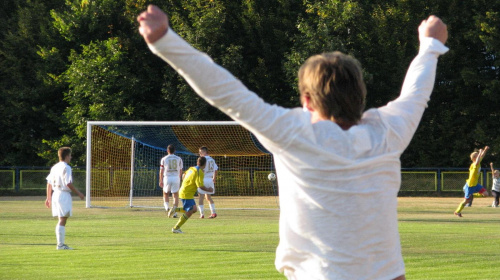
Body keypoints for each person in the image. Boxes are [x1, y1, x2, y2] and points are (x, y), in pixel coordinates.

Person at [138, 5, 448, 279]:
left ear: (307, 100)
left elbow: (226, 92)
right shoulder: (388, 131)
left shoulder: (294, 132)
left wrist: (165, 40)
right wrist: (430, 45)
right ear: (361, 95)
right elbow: (416, 92)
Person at [45, 147, 85, 250]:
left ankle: (60, 244)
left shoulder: (54, 167)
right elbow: (68, 183)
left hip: (55, 194)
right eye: (70, 155)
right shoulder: (66, 167)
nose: (71, 157)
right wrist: (79, 193)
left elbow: (49, 183)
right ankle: (60, 245)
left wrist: (48, 198)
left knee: (61, 219)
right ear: (67, 156)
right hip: (63, 194)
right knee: (62, 219)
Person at [172, 156, 213, 233]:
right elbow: (200, 186)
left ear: (197, 162)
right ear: (205, 165)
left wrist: (187, 183)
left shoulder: (191, 168)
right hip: (187, 193)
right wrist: (209, 189)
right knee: (190, 212)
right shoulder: (199, 172)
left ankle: (175, 210)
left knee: (194, 209)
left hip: (184, 191)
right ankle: (176, 228)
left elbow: (184, 175)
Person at [454, 147, 490, 217]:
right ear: (474, 158)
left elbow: (482, 156)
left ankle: (472, 195)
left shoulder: (478, 162)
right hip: (470, 185)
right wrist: (479, 152)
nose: (479, 156)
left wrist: (485, 150)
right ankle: (457, 211)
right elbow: (477, 160)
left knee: (486, 194)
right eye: (477, 156)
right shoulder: (474, 165)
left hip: (476, 184)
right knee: (466, 201)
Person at [159, 144, 183, 218]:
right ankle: (174, 212)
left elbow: (161, 170)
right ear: (174, 150)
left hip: (167, 177)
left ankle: (167, 208)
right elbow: (181, 170)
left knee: (165, 193)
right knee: (175, 195)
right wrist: (179, 178)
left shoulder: (164, 158)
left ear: (167, 150)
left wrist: (160, 180)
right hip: (176, 177)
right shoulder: (179, 158)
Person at [198, 146, 218, 218]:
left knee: (201, 197)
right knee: (208, 197)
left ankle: (202, 214)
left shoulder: (202, 159)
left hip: (203, 179)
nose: (200, 154)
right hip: (210, 179)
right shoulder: (212, 159)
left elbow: (200, 169)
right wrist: (214, 178)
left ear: (204, 152)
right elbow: (216, 169)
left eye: (200, 152)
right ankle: (213, 212)